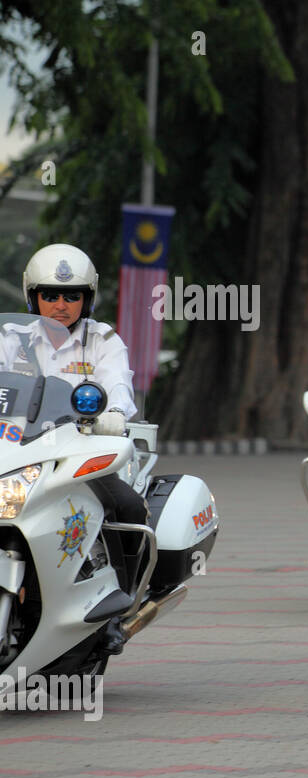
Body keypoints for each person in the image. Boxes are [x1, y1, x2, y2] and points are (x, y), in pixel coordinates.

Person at [1, 243, 146, 655]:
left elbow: (118, 387)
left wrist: (115, 413)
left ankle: (117, 609)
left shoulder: (102, 341)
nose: (60, 305)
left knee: (127, 508)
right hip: (17, 451)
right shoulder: (12, 338)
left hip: (78, 453)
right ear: (33, 297)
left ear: (87, 299)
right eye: (50, 295)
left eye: (71, 296)